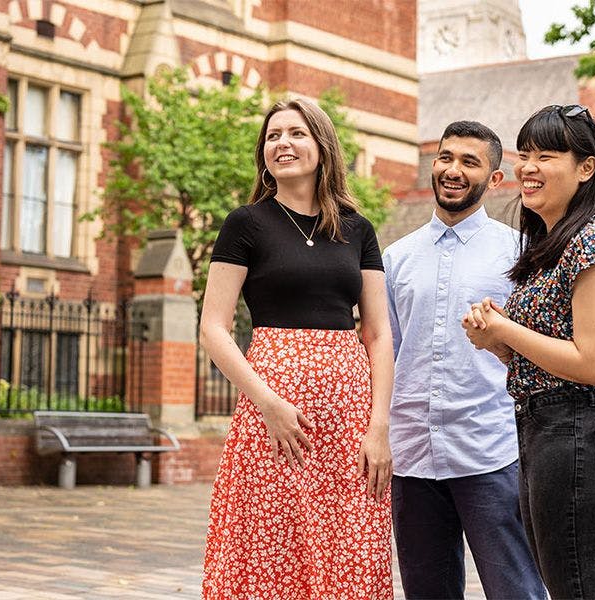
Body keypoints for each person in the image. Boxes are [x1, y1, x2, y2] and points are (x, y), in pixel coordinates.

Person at [200, 98, 394, 599]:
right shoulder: (246, 223)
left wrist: (378, 428)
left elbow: (377, 334)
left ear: (322, 145)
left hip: (348, 417)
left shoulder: (357, 229)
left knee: (349, 541)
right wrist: (268, 405)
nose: (282, 143)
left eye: (296, 133)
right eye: (272, 136)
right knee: (268, 537)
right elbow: (214, 328)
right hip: (274, 415)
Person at [462, 104, 595, 600]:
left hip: (582, 432)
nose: (528, 167)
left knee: (581, 591)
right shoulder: (547, 247)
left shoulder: (594, 242)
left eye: (547, 155)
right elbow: (547, 361)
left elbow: (592, 363)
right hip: (544, 431)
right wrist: (497, 342)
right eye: (525, 155)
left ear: (586, 168)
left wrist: (507, 330)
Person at [382, 120, 545, 599]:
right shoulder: (396, 258)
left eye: (470, 162)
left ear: (495, 179)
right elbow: (385, 354)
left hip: (490, 451)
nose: (454, 170)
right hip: (412, 456)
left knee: (516, 590)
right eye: (446, 157)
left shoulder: (521, 254)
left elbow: (537, 354)